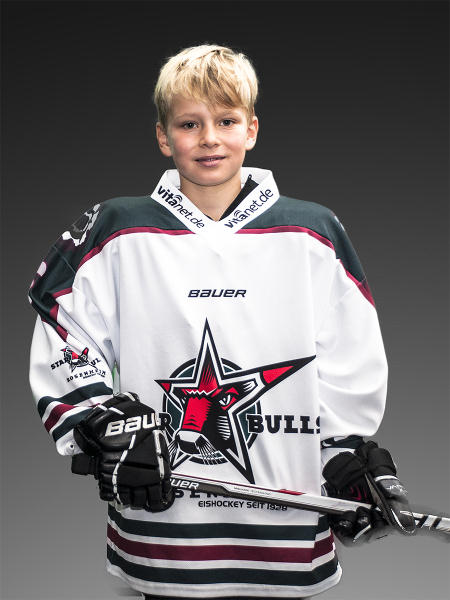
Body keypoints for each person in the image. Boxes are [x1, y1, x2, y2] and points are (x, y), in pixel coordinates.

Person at [29, 44, 414, 600]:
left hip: (287, 525)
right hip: (162, 527)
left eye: (226, 121)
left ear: (251, 129)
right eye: (190, 124)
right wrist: (103, 421)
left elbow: (350, 356)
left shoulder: (312, 231)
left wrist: (342, 453)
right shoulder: (117, 229)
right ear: (164, 137)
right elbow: (64, 325)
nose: (209, 138)